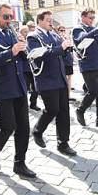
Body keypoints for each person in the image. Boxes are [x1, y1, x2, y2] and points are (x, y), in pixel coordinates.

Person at [0, 3, 37, 178]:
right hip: (2, 85)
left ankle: (20, 163)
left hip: (19, 84)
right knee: (8, 126)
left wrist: (26, 51)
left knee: (24, 128)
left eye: (10, 17)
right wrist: (11, 51)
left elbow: (21, 58)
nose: (9, 20)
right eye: (6, 17)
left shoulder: (12, 33)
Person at [27, 10, 77, 156]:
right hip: (46, 79)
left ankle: (63, 143)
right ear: (40, 21)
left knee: (64, 112)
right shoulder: (33, 36)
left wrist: (67, 46)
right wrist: (60, 48)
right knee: (52, 109)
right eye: (48, 19)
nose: (51, 22)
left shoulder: (54, 34)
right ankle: (38, 130)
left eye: (51, 19)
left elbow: (61, 52)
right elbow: (40, 56)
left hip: (60, 77)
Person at [72, 8, 98, 129]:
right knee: (94, 91)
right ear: (83, 17)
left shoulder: (93, 29)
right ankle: (80, 110)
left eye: (93, 18)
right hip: (88, 65)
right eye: (90, 18)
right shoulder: (78, 29)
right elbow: (81, 39)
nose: (92, 20)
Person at [19, 26, 40, 111]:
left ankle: (33, 103)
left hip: (32, 68)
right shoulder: (19, 42)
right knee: (25, 88)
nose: (27, 33)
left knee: (36, 88)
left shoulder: (31, 41)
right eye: (25, 32)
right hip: (24, 69)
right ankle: (24, 105)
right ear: (20, 33)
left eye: (27, 31)